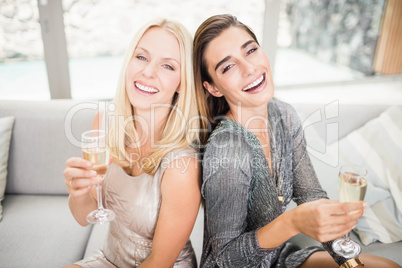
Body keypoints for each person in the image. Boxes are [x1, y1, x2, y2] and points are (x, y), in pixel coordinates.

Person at [193, 14, 399, 268]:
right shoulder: (227, 151)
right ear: (213, 88)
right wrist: (292, 222)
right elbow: (226, 259)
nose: (250, 68)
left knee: (387, 267)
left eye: (251, 51)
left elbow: (310, 195)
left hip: (279, 259)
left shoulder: (284, 115)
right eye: (228, 66)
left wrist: (348, 261)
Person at [63, 18, 201, 267]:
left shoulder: (183, 165)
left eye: (168, 66)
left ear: (182, 82)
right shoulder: (105, 123)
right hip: (108, 258)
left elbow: (161, 262)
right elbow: (84, 217)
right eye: (141, 57)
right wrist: (78, 192)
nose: (148, 72)